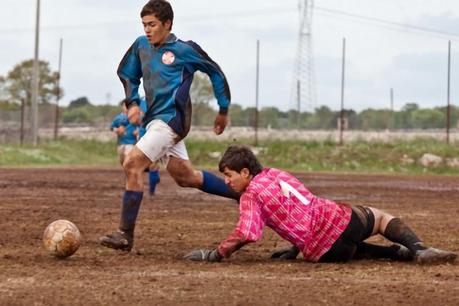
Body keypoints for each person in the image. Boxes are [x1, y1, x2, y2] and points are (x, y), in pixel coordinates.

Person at [100, 0, 239, 252]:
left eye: (152, 24)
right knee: (186, 177)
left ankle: (125, 235)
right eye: (144, 25)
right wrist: (132, 103)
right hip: (156, 121)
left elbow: (215, 72)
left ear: (167, 24)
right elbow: (127, 73)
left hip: (171, 121)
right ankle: (243, 195)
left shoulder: (184, 50)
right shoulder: (141, 46)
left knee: (132, 163)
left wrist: (223, 109)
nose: (147, 30)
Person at [184, 145, 457, 265]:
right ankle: (420, 249)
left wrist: (215, 254)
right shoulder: (277, 173)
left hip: (323, 252)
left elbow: (247, 233)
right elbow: (304, 206)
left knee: (348, 249)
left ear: (245, 172)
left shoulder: (250, 195)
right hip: (341, 220)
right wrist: (293, 246)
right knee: (381, 219)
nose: (227, 182)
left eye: (229, 175)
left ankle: (394, 254)